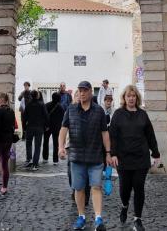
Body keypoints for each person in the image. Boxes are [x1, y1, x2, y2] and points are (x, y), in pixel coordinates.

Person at [59, 81, 111, 231]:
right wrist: (61, 147)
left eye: (84, 90)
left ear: (90, 92)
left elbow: (104, 133)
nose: (81, 93)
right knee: (79, 188)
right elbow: (63, 129)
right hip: (76, 157)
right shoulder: (71, 109)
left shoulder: (99, 111)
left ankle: (98, 219)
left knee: (96, 186)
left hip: (95, 156)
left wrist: (108, 153)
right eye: (79, 90)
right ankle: (81, 216)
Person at [110, 85, 160, 231]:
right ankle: (124, 205)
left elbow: (150, 135)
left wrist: (155, 154)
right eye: (128, 96)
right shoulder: (118, 114)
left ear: (137, 98)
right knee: (125, 189)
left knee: (139, 187)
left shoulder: (143, 115)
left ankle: (137, 219)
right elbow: (112, 136)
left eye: (133, 96)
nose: (131, 98)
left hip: (141, 158)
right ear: (124, 98)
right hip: (123, 159)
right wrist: (112, 154)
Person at [23, 89, 49, 170]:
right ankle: (35, 164)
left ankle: (29, 159)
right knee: (37, 146)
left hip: (29, 127)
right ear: (37, 96)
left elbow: (24, 117)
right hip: (39, 127)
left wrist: (24, 127)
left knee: (28, 144)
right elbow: (46, 116)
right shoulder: (41, 104)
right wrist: (47, 125)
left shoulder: (28, 105)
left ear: (31, 96)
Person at [42, 92, 64, 165]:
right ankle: (55, 160)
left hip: (47, 127)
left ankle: (45, 158)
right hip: (56, 128)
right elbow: (62, 119)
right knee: (56, 144)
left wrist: (45, 125)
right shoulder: (61, 107)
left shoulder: (47, 105)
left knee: (45, 142)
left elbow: (44, 117)